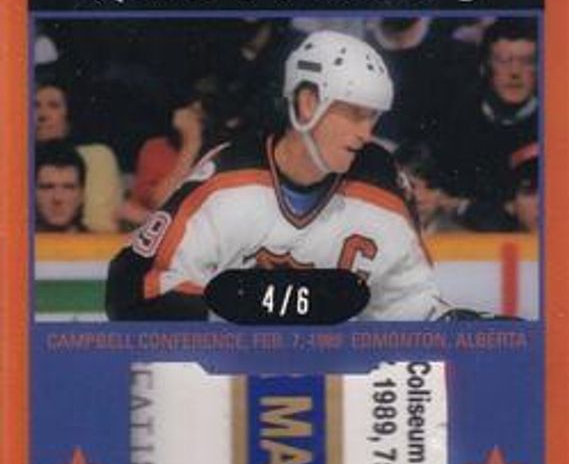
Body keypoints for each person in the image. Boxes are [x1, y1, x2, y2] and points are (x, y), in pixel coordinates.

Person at [105, 31, 452, 322]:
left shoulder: (383, 183)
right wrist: (235, 332)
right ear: (308, 103)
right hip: (228, 372)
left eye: (373, 117)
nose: (366, 133)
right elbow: (136, 288)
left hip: (332, 373)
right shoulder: (227, 179)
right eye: (355, 114)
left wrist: (450, 323)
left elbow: (410, 304)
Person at [439, 18, 538, 230]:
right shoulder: (455, 120)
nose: (515, 72)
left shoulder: (553, 124)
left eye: (527, 61)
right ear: (484, 67)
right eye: (503, 60)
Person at [34, 78, 124, 232]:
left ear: (70, 113)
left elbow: (100, 224)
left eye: (53, 106)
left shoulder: (96, 157)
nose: (42, 115)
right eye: (34, 106)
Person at [35, 142, 87, 233]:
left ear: (81, 195)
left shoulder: (103, 241)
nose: (58, 198)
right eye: (48, 187)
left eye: (68, 187)